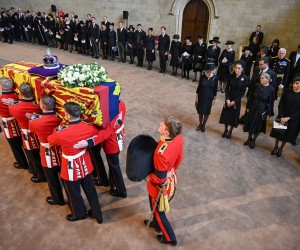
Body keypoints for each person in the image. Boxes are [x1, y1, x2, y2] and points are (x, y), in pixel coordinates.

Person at [47, 102, 119, 223]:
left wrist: (58, 129)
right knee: (90, 189)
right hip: (85, 163)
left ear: (68, 116)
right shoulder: (88, 127)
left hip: (70, 167)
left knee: (73, 192)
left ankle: (79, 213)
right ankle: (98, 214)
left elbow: (50, 140)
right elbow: (100, 131)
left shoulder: (62, 132)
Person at [74, 99, 127, 198]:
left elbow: (108, 131)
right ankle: (108, 182)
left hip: (112, 141)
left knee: (114, 166)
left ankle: (121, 190)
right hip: (117, 137)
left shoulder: (113, 112)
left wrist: (89, 141)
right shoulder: (121, 103)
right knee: (112, 164)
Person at [144, 116, 183, 246]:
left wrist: (147, 176)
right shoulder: (178, 138)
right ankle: (156, 224)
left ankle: (170, 238)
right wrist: (170, 170)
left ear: (166, 132)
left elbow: (159, 178)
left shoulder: (161, 153)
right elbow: (179, 158)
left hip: (160, 187)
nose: (160, 124)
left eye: (163, 125)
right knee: (155, 210)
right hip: (171, 177)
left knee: (158, 212)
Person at [28, 94, 65, 206]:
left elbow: (33, 131)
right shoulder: (60, 118)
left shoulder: (34, 122)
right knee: (64, 175)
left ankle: (57, 198)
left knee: (51, 177)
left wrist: (34, 117)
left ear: (42, 106)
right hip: (61, 148)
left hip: (46, 150)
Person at [8, 82, 45, 182]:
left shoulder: (13, 107)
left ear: (20, 94)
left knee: (33, 155)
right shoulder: (38, 106)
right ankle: (34, 170)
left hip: (27, 134)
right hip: (40, 133)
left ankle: (40, 175)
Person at [0, 77, 29, 170]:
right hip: (19, 122)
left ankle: (22, 163)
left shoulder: (1, 99)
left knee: (15, 147)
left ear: (1, 87)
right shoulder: (17, 96)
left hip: (8, 124)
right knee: (24, 144)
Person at [270, 77, 300, 157]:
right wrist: (282, 116)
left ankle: (281, 148)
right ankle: (276, 146)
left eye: (297, 83)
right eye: (294, 83)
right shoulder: (287, 91)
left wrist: (288, 118)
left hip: (292, 119)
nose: (294, 85)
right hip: (282, 115)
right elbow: (281, 104)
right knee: (278, 133)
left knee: (285, 135)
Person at [243, 73, 275, 149]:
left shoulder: (271, 89)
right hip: (254, 106)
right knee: (250, 122)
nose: (261, 79)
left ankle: (254, 140)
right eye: (261, 78)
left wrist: (268, 113)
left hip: (262, 109)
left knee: (258, 124)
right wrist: (248, 107)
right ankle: (249, 138)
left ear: (267, 79)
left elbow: (270, 102)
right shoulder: (257, 85)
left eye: (263, 78)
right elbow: (251, 97)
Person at [219, 61, 248, 138]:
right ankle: (225, 130)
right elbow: (227, 89)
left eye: (239, 68)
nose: (237, 69)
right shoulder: (230, 76)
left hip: (236, 100)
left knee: (233, 117)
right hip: (229, 98)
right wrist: (227, 99)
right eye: (236, 67)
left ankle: (230, 131)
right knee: (226, 116)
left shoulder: (244, 78)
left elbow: (242, 92)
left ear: (242, 69)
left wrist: (235, 101)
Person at [195, 60, 218, 132]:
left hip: (209, 97)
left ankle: (204, 124)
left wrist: (214, 98)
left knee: (207, 112)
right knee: (200, 111)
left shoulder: (215, 77)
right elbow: (199, 86)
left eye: (211, 70)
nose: (210, 72)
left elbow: (215, 88)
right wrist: (196, 96)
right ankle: (200, 124)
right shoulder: (202, 76)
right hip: (201, 96)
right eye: (208, 70)